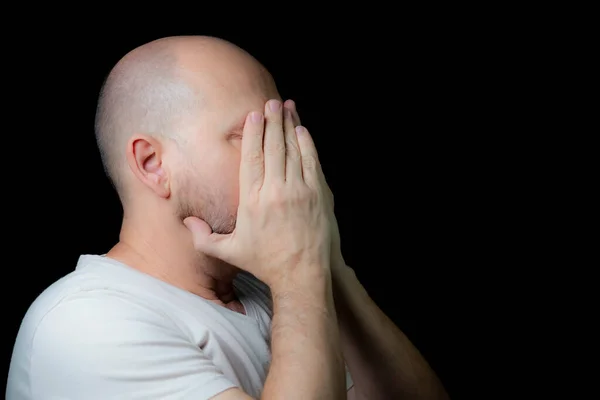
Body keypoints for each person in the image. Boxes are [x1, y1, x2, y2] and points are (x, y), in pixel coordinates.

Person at [7, 36, 449, 400]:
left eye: (284, 133)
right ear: (153, 165)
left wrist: (326, 260)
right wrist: (300, 271)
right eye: (250, 135)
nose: (288, 160)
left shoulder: (276, 293)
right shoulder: (84, 322)